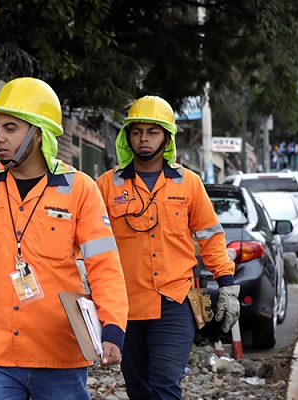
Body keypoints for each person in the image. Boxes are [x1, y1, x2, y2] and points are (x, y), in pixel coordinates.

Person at [0, 77, 128, 400]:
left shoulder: (79, 189)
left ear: (38, 134)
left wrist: (112, 328)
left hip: (58, 353)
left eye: (10, 129)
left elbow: (104, 264)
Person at [95, 95, 239, 399]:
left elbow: (210, 237)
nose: (143, 139)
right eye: (136, 132)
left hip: (176, 301)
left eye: (152, 132)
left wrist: (227, 285)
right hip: (126, 305)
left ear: (166, 138)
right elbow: (90, 242)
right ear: (127, 137)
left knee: (165, 386)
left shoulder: (189, 183)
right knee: (138, 389)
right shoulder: (106, 186)